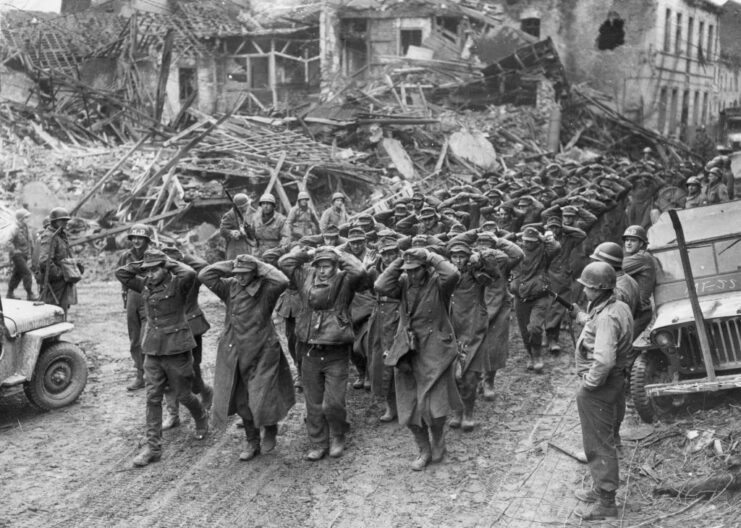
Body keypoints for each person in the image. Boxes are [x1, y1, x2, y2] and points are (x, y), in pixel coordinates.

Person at [115, 249, 209, 467]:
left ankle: (201, 416)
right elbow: (121, 273)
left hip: (176, 348)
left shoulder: (178, 284)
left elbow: (189, 273)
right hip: (153, 350)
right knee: (152, 397)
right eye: (147, 271)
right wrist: (146, 263)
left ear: (165, 269)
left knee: (184, 395)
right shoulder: (145, 285)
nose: (150, 274)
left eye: (155, 270)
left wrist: (165, 261)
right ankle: (153, 448)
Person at [199, 254, 295, 461]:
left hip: (263, 350)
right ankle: (252, 442)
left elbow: (283, 280)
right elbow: (205, 274)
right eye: (237, 274)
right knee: (243, 401)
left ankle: (270, 428)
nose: (240, 278)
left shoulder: (266, 289)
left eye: (245, 274)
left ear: (255, 272)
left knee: (262, 396)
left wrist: (257, 263)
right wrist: (234, 264)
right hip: (235, 351)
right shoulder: (230, 287)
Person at [374, 247, 463, 471]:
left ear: (426, 268)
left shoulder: (439, 284)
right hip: (407, 350)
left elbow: (453, 274)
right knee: (409, 403)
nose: (411, 274)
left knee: (435, 402)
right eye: (408, 270)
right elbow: (380, 285)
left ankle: (438, 439)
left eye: (416, 270)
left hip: (435, 352)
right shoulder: (402, 283)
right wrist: (399, 260)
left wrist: (430, 255)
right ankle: (423, 449)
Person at [278, 245, 367, 461]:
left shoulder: (345, 279)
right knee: (313, 401)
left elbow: (360, 271)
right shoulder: (305, 276)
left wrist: (339, 254)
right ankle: (318, 442)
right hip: (308, 348)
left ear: (335, 266)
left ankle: (338, 435)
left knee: (333, 402)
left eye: (327, 266)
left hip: (336, 349)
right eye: (319, 266)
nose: (322, 270)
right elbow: (283, 263)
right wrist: (307, 254)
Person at [570, 262, 633, 521]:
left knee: (598, 442)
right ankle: (600, 489)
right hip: (616, 380)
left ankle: (607, 502)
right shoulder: (618, 306)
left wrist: (590, 385)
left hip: (602, 384)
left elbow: (604, 359)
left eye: (587, 287)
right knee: (605, 435)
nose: (583, 290)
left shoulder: (607, 316)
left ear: (598, 289)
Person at [447, 241, 500, 431]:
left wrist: (481, 255)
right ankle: (457, 412)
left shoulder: (476, 275)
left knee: (469, 376)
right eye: (454, 256)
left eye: (462, 256)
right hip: (451, 330)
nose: (458, 260)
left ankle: (468, 413)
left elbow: (495, 271)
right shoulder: (445, 275)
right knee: (452, 376)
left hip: (473, 330)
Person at [160, 245, 214, 429]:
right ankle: (172, 413)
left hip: (191, 326)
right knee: (165, 372)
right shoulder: (159, 280)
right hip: (167, 330)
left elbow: (204, 265)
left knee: (191, 369)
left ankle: (205, 391)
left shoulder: (191, 278)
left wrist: (182, 257)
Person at [512, 226, 561, 373]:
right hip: (520, 297)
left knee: (535, 327)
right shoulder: (516, 252)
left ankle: (537, 355)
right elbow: (503, 241)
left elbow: (556, 247)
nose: (528, 244)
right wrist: (520, 233)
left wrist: (542, 237)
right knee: (524, 331)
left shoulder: (544, 252)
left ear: (537, 241)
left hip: (539, 297)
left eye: (532, 241)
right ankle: (530, 354)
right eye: (526, 241)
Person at [364, 235, 401, 422]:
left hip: (398, 314)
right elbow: (367, 288)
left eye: (393, 253)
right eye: (385, 254)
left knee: (401, 359)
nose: (389, 257)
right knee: (379, 361)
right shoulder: (374, 271)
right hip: (379, 315)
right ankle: (390, 406)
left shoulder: (404, 271)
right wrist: (366, 266)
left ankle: (407, 405)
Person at [117, 224, 153, 391]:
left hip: (149, 296)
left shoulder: (153, 254)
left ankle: (152, 375)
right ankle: (140, 375)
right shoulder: (126, 255)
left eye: (141, 238)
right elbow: (121, 274)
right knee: (134, 339)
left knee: (147, 337)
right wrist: (125, 294)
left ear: (147, 239)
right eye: (134, 238)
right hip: (132, 296)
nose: (137, 241)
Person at [543, 216, 586, 354]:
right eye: (551, 227)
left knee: (559, 306)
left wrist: (564, 227)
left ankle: (552, 338)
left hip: (563, 276)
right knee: (548, 306)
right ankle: (548, 336)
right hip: (547, 275)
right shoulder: (543, 240)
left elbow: (582, 234)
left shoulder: (568, 239)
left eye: (556, 227)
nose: (554, 230)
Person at [39, 207, 82, 317]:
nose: (65, 223)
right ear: (54, 222)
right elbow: (44, 261)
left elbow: (63, 255)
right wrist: (59, 274)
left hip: (63, 280)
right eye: (62, 221)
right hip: (54, 282)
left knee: (62, 311)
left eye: (66, 221)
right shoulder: (49, 236)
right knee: (53, 313)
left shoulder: (61, 235)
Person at [621, 225, 656, 337]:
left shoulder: (641, 257)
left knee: (624, 347)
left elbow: (613, 269)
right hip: (635, 310)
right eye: (627, 240)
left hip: (640, 312)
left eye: (633, 240)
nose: (628, 243)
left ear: (641, 244)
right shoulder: (638, 256)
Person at [7, 208, 36, 301]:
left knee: (17, 274)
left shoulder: (26, 228)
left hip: (25, 255)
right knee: (27, 273)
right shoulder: (14, 228)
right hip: (17, 255)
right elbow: (8, 241)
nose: (28, 219)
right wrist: (15, 251)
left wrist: (31, 253)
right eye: (26, 217)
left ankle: (9, 293)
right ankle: (30, 294)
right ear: (21, 219)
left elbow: (30, 242)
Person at [219, 193, 255, 259]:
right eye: (246, 205)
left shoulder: (251, 212)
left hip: (249, 245)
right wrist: (232, 233)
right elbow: (222, 230)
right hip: (235, 247)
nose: (248, 206)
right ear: (240, 207)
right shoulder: (230, 215)